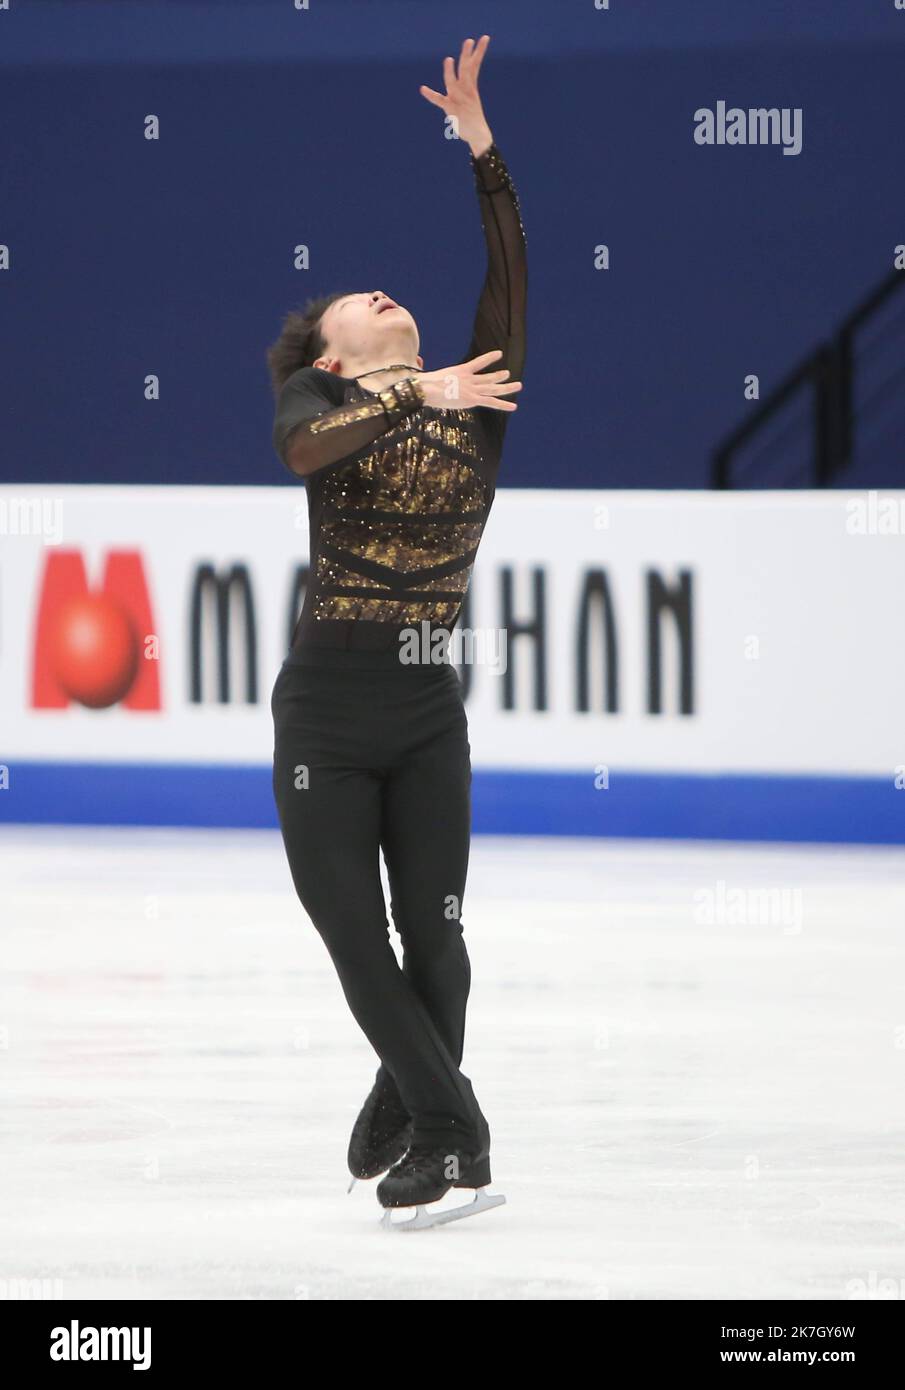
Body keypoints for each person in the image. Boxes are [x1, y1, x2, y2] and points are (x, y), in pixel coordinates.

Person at [267, 35, 526, 1223]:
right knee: (356, 939)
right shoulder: (318, 403)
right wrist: (410, 390)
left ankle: (417, 1103)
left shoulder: (477, 400)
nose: (383, 291)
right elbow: (304, 451)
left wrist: (480, 150)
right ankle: (452, 1126)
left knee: (438, 937)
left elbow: (510, 279)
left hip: (426, 707)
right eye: (355, 301)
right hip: (326, 706)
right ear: (333, 353)